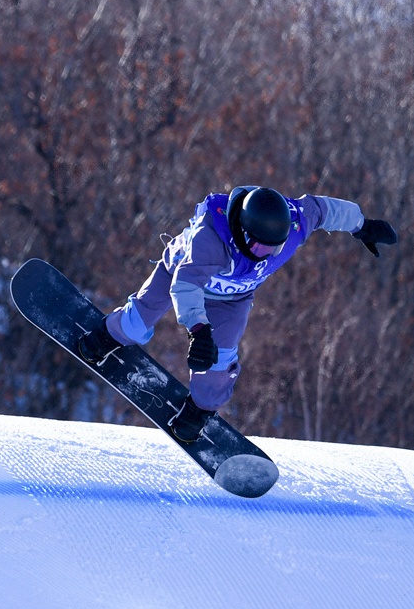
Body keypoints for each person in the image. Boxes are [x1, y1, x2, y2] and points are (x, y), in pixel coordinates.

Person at [78, 185, 397, 442]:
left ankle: (200, 410)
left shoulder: (296, 223)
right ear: (242, 232)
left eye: (273, 248)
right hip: (178, 273)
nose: (265, 255)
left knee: (221, 361)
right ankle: (110, 334)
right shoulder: (211, 238)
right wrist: (198, 330)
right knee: (138, 321)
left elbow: (324, 209)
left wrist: (362, 225)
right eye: (258, 247)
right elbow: (185, 287)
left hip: (232, 299)